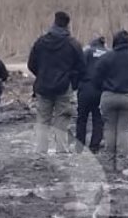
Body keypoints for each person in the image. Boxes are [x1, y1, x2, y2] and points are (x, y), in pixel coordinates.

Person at [27, 11, 85, 154]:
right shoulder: (73, 44)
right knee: (62, 119)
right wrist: (72, 81)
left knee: (42, 119)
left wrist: (41, 75)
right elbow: (82, 67)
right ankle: (61, 151)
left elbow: (31, 64)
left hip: (43, 87)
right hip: (64, 87)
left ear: (54, 23)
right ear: (67, 25)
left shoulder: (40, 42)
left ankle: (41, 151)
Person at [93, 29, 128, 171]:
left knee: (110, 128)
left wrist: (103, 88)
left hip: (109, 96)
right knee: (123, 130)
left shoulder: (106, 57)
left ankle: (109, 162)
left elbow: (96, 77)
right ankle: (121, 163)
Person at [75, 35, 107, 153]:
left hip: (86, 87)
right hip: (101, 90)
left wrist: (76, 84)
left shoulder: (87, 52)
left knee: (82, 118)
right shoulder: (108, 54)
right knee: (98, 119)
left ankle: (79, 145)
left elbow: (79, 68)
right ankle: (94, 146)